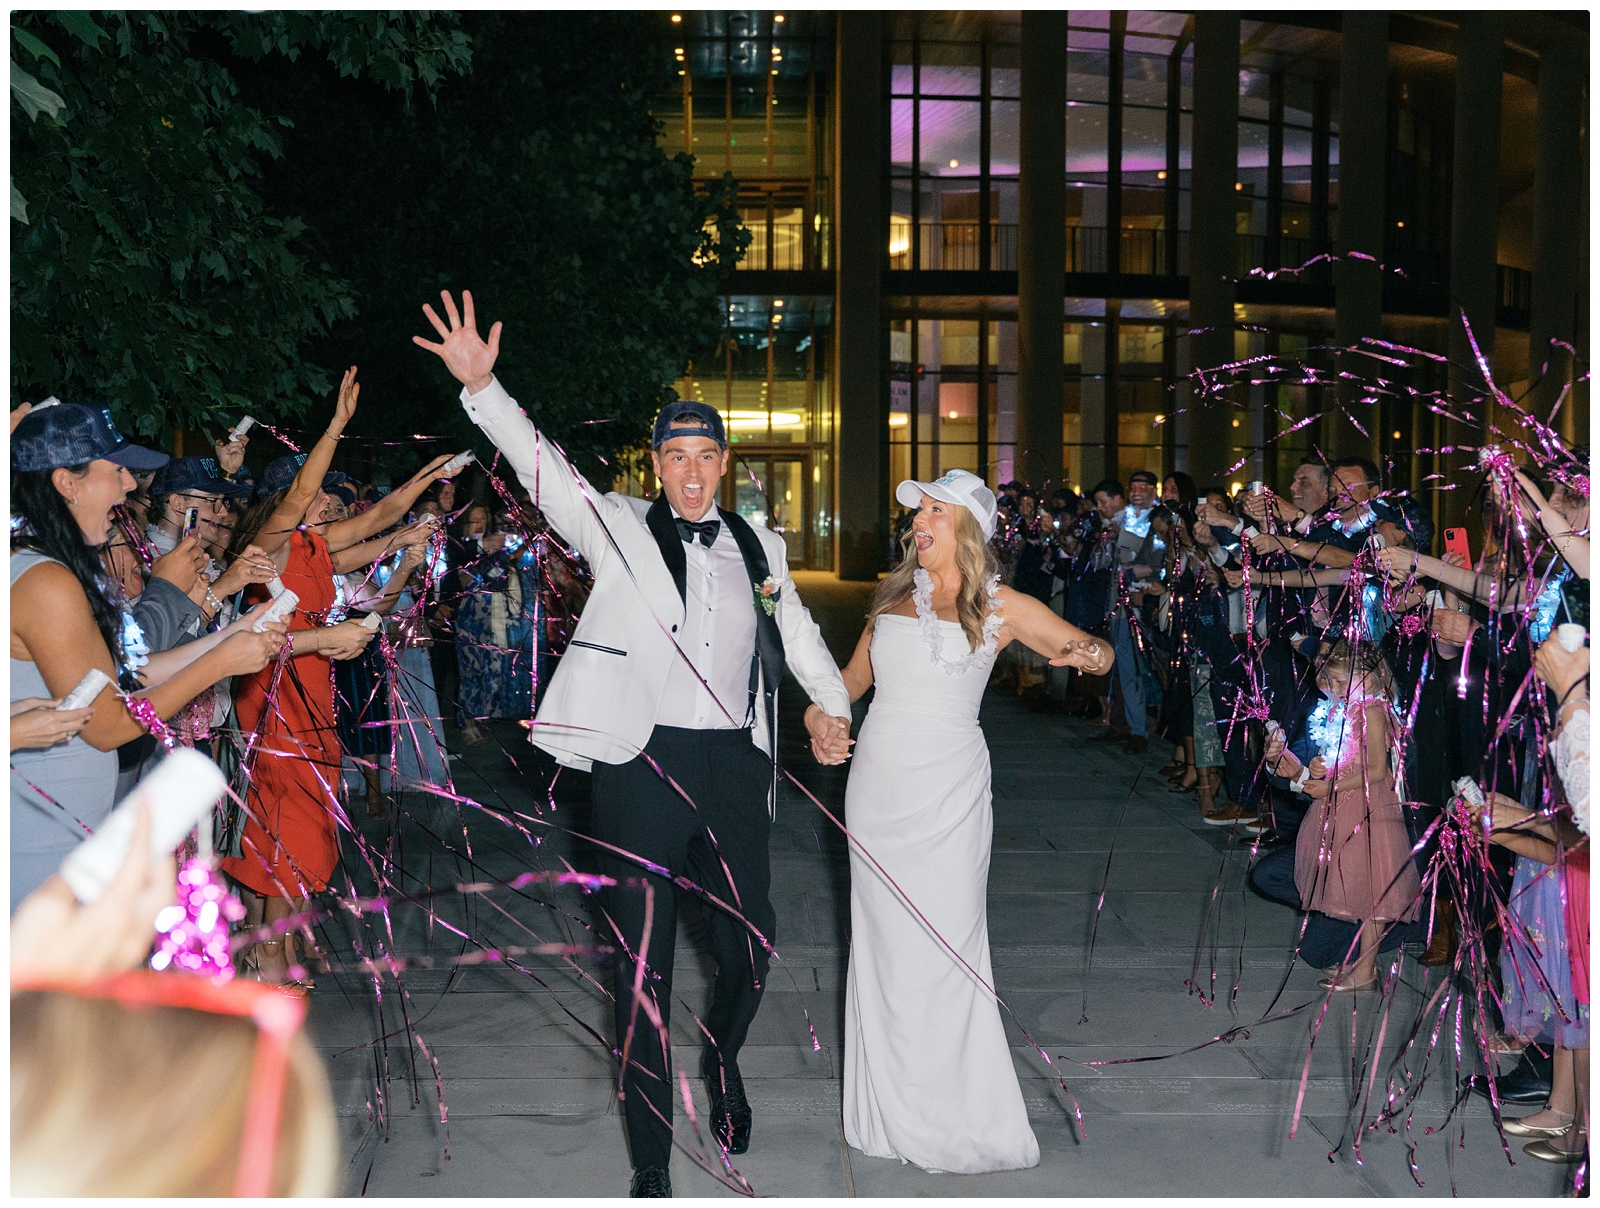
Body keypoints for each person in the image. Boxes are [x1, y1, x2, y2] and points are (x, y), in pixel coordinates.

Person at [413, 289, 853, 1198]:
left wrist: (827, 703)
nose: (692, 474)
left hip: (733, 764)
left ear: (726, 463)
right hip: (638, 765)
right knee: (641, 967)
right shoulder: (616, 526)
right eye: (675, 457)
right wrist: (486, 390)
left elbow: (799, 634)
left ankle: (722, 1057)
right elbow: (543, 472)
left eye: (706, 458)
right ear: (656, 464)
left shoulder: (758, 542)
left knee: (750, 948)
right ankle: (651, 1164)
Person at [836, 469, 1111, 1173]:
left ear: (966, 528)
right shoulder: (893, 595)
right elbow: (849, 685)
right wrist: (819, 719)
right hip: (878, 790)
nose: (919, 521)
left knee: (949, 940)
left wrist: (1091, 654)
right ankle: (891, 1104)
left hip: (950, 787)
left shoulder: (1001, 603)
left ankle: (954, 1109)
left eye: (935, 509)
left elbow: (1089, 649)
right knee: (886, 944)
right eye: (918, 510)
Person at [10, 402, 286, 907]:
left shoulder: (57, 567)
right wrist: (219, 665)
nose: (131, 486)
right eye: (115, 471)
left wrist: (231, 636)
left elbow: (127, 672)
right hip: (38, 844)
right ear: (66, 483)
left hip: (71, 831)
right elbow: (109, 723)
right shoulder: (43, 580)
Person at [1291, 640, 1420, 990]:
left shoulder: (1371, 711)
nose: (1332, 689)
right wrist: (1321, 765)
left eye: (1339, 681)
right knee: (1355, 882)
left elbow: (1377, 769)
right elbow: (1341, 752)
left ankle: (1366, 970)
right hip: (1341, 803)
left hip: (1367, 806)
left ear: (1369, 677)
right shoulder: (1342, 708)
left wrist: (1331, 787)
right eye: (1329, 681)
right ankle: (1360, 964)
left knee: (1374, 888)